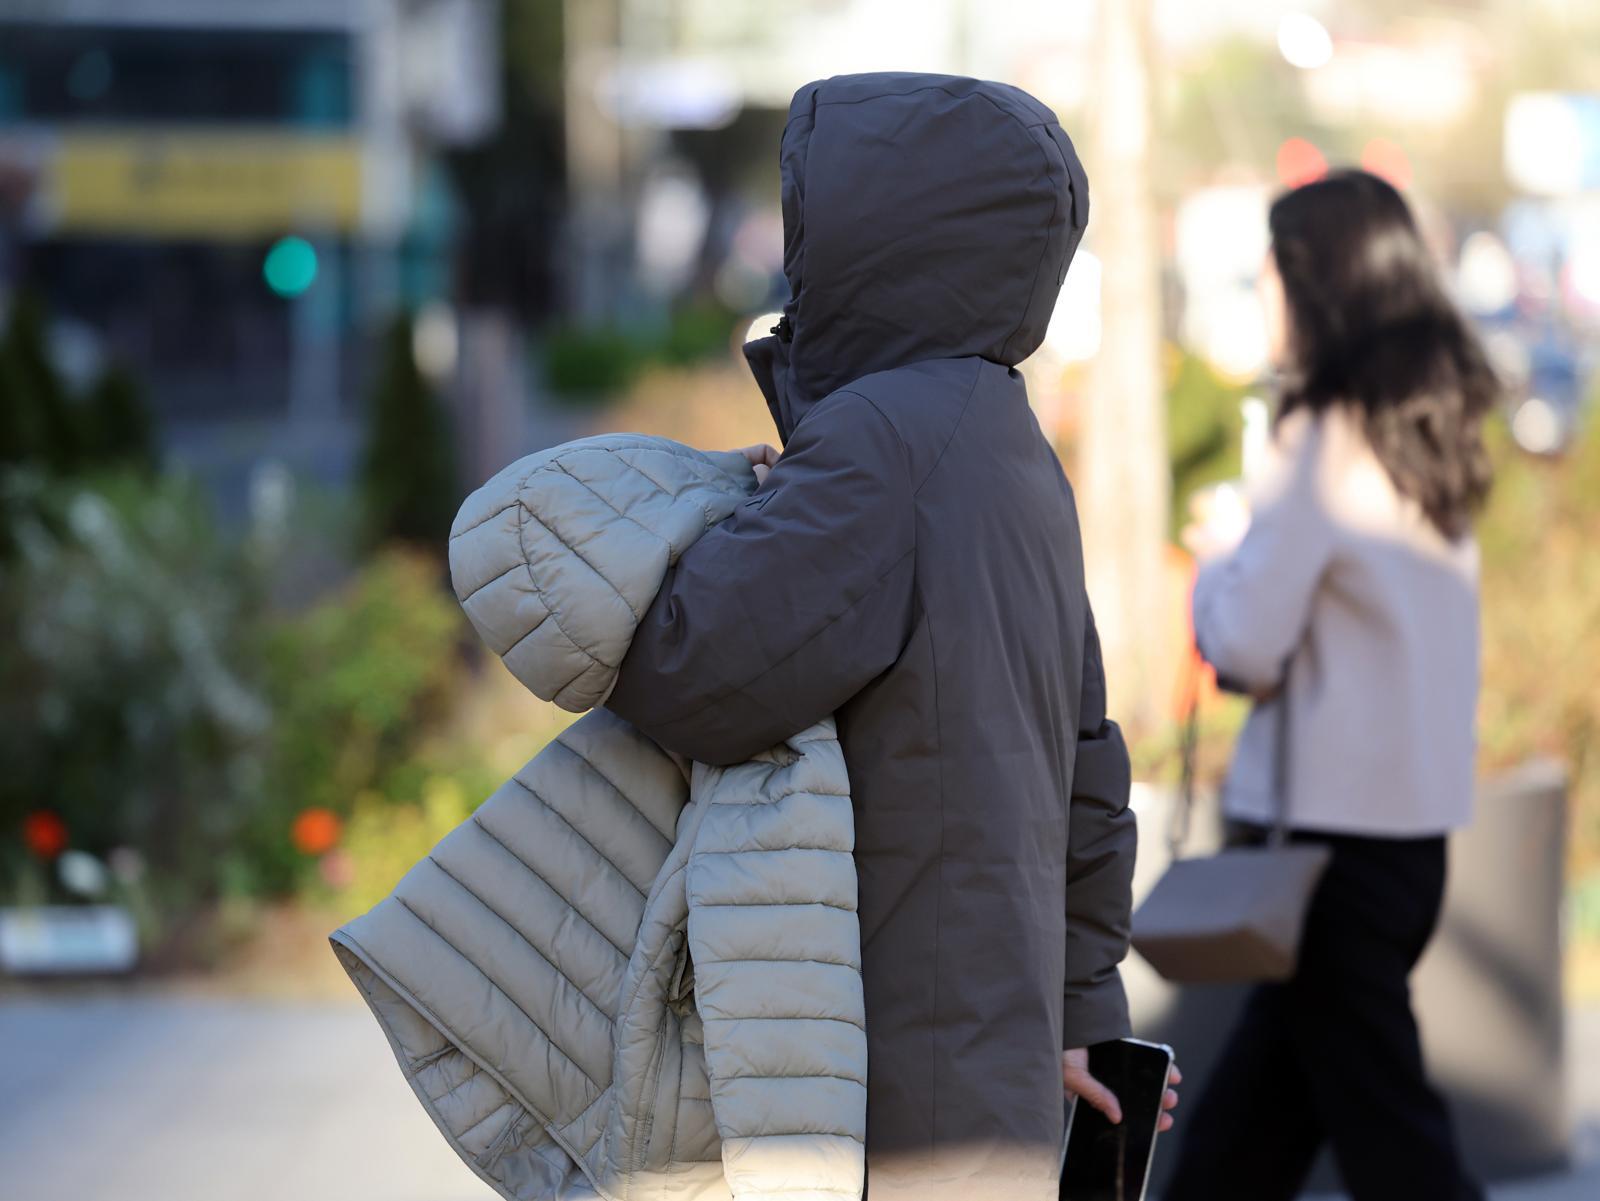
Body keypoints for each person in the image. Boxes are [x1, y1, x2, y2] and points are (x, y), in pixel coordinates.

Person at [603, 72, 1174, 1200]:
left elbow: (686, 670)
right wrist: (1080, 1010)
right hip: (988, 1076)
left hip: (876, 1091)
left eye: (811, 217)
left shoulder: (884, 439)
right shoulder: (1004, 437)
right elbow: (1088, 764)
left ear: (879, 236)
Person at [1167, 169, 1496, 1201]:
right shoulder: (1431, 430)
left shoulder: (1324, 435)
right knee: (1246, 1141)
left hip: (1321, 861)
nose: (1259, 301)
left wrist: (1220, 557)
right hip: (1405, 850)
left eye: (1265, 278)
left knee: (1397, 1151)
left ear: (1315, 287)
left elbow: (1248, 646)